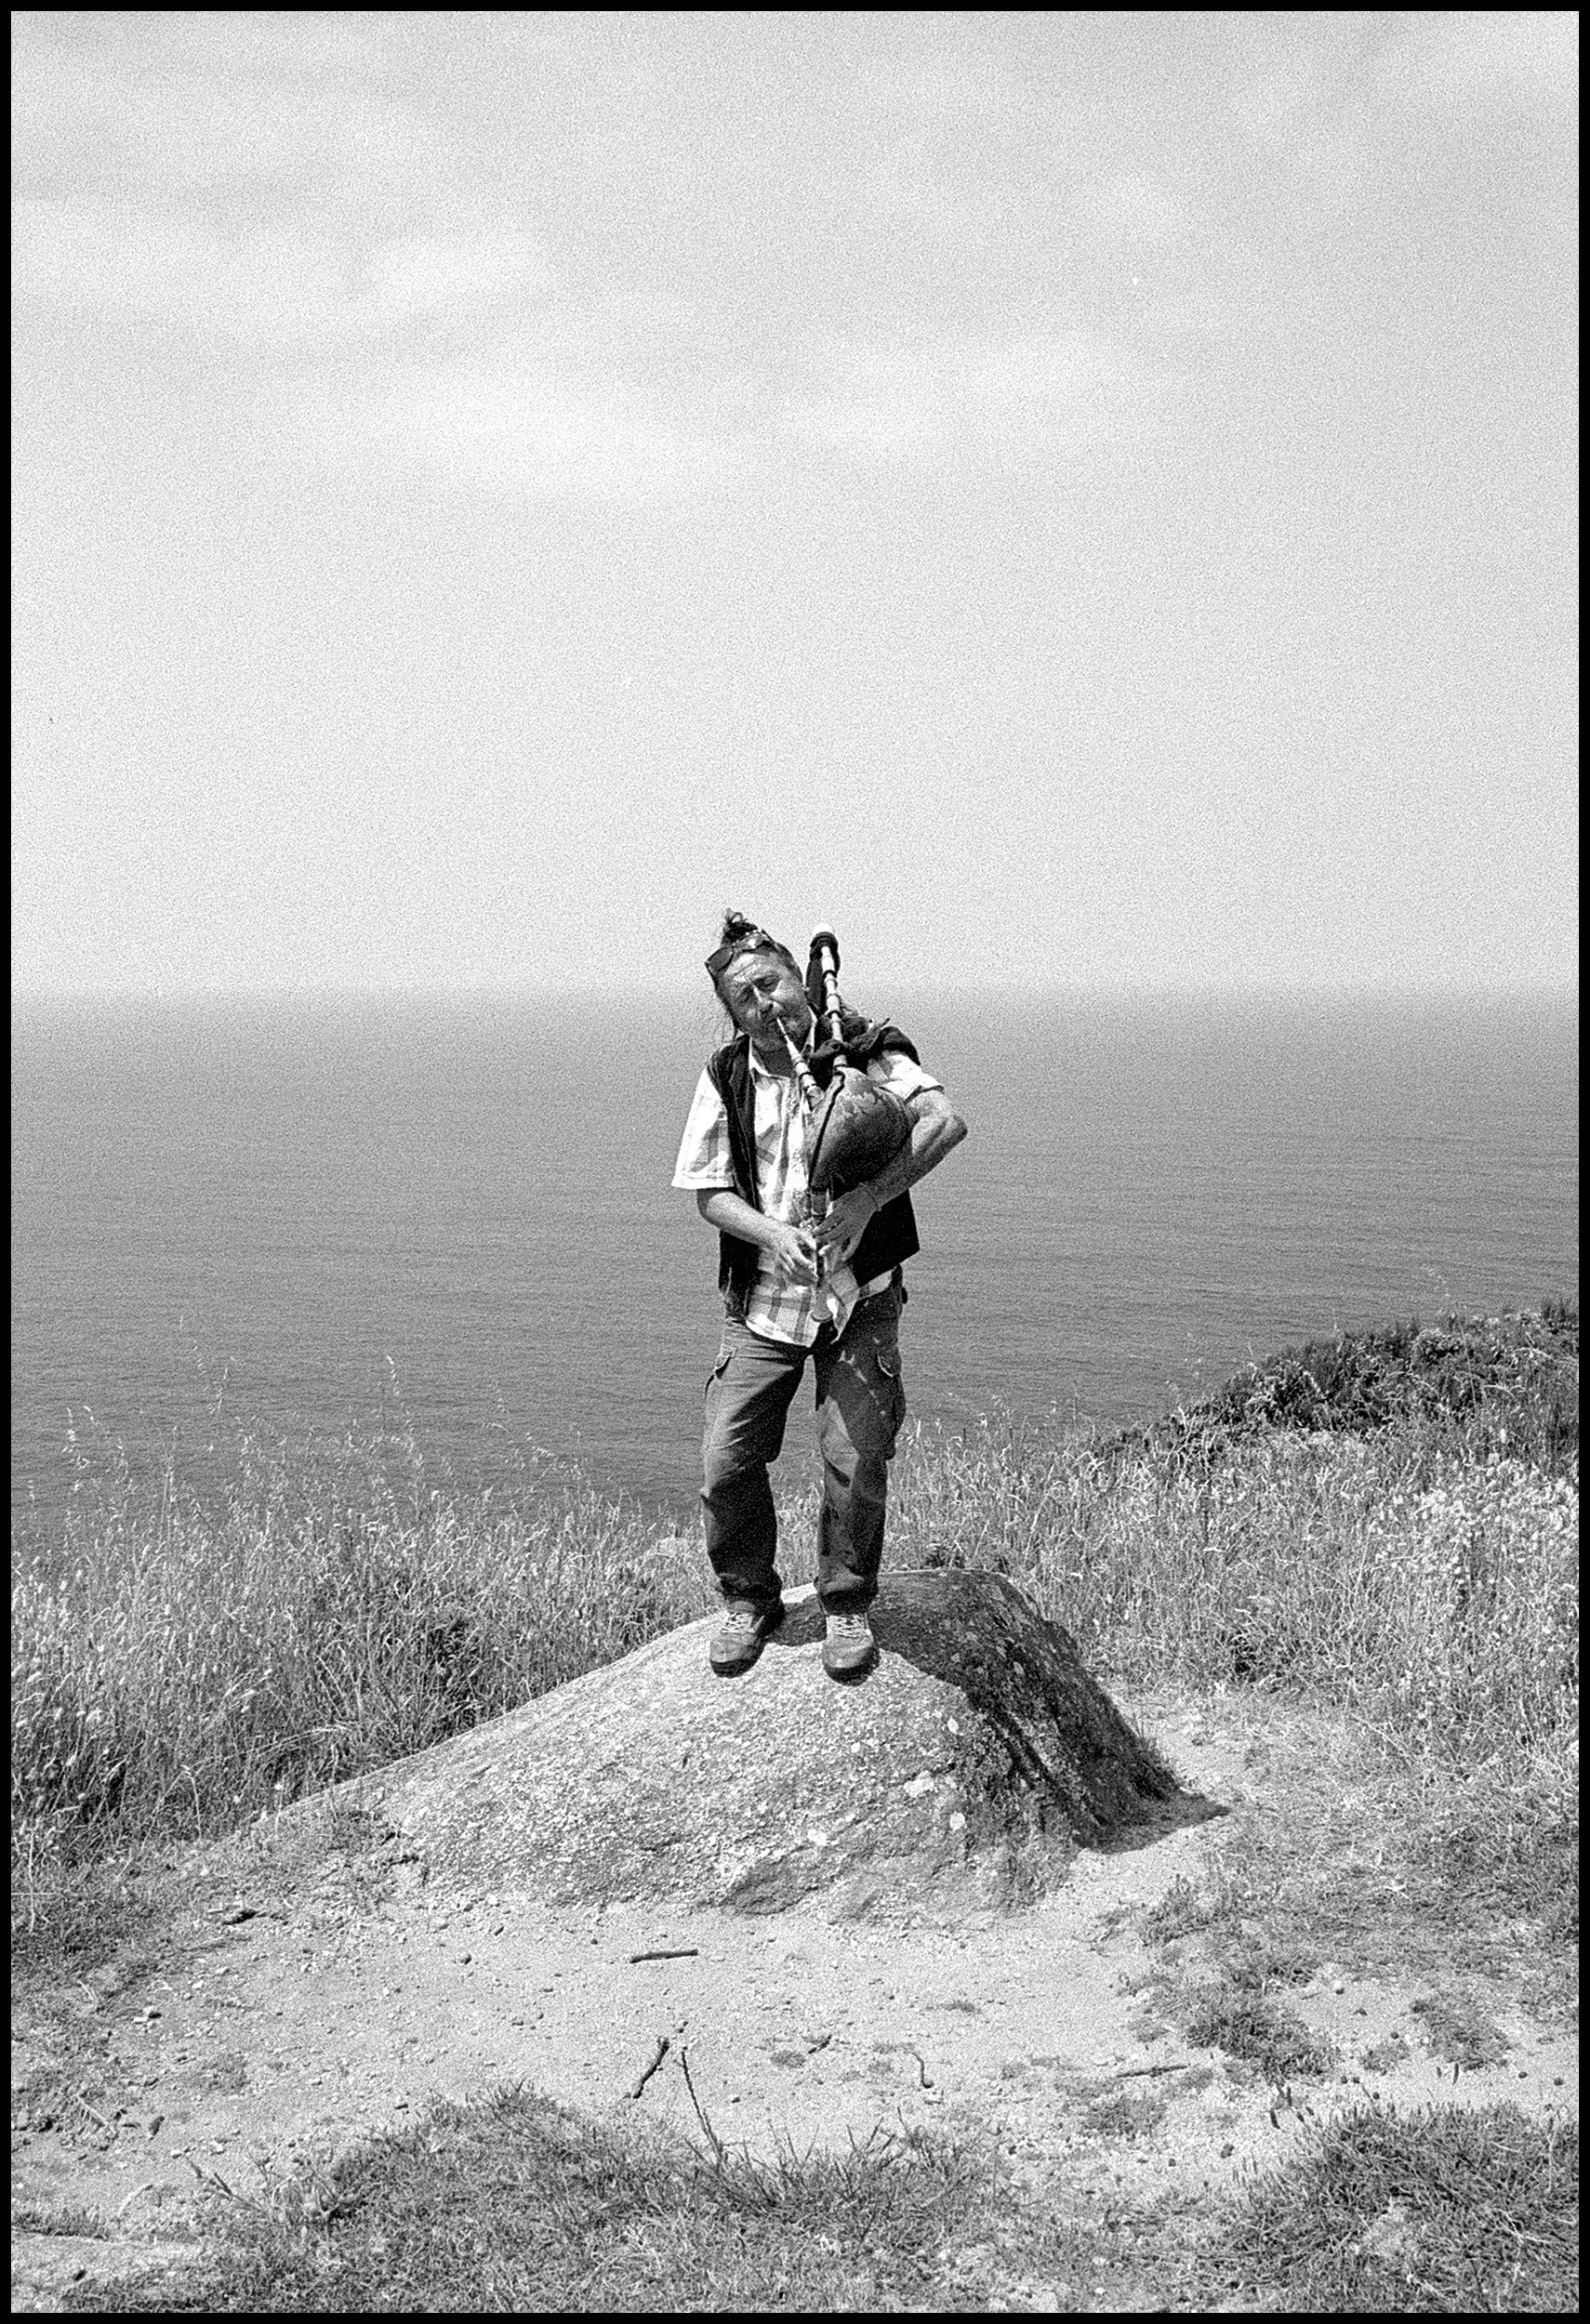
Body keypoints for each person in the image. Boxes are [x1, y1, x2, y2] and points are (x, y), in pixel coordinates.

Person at [672, 911, 967, 1680]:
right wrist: (773, 1234)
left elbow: (943, 1122)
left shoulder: (868, 1049)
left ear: (797, 976)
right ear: (731, 1013)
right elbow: (708, 1191)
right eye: (743, 998)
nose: (762, 1004)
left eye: (768, 983)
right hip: (764, 1305)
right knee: (727, 1462)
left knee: (855, 1460)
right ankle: (749, 1598)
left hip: (858, 1298)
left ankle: (845, 1607)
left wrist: (869, 1198)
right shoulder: (727, 1074)